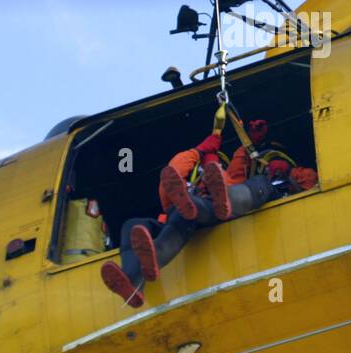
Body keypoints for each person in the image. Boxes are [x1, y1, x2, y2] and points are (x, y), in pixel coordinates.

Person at [100, 119, 318, 308]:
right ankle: (132, 280)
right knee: (133, 225)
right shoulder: (183, 187)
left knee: (254, 187)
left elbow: (240, 170)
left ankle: (219, 201)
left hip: (222, 210)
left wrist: (251, 144)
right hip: (188, 215)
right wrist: (199, 151)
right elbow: (171, 175)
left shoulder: (248, 175)